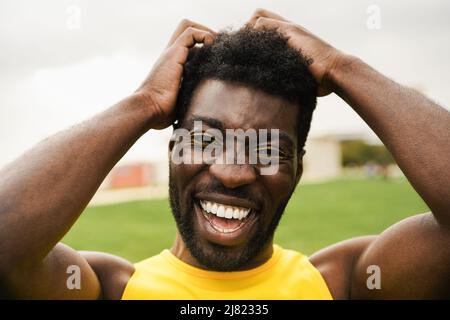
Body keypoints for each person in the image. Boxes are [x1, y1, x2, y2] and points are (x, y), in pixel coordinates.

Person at [0, 9, 449, 300]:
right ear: (173, 149)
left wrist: (342, 67)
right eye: (204, 139)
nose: (232, 172)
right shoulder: (108, 289)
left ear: (297, 169)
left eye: (269, 149)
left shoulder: (344, 283)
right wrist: (143, 104)